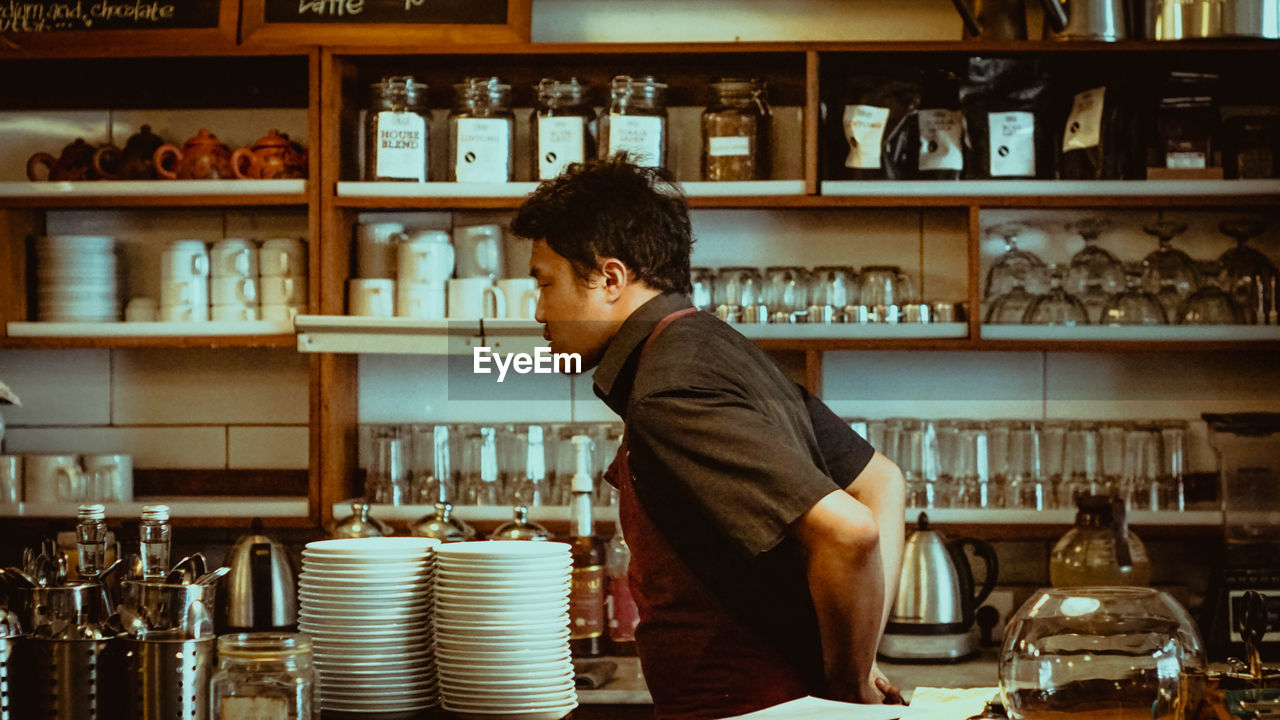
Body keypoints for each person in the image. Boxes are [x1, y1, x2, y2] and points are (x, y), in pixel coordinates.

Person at [512, 156, 907, 719]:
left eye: (544, 284)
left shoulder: (669, 388)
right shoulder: (713, 343)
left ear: (610, 278)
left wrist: (848, 686)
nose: (538, 312)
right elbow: (882, 481)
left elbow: (850, 531)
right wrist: (860, 658)